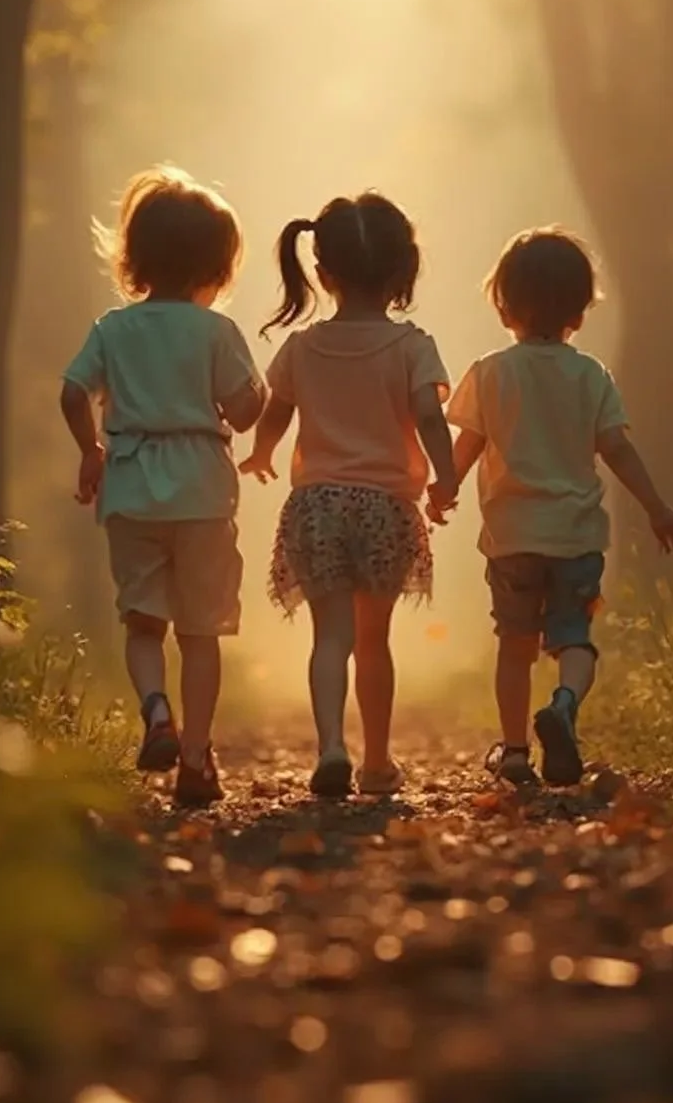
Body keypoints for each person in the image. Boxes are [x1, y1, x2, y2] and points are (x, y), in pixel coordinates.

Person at [429, 228, 673, 789]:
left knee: (515, 645)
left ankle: (517, 751)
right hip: (575, 538)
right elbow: (617, 449)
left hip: (512, 537)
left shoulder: (491, 371)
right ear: (580, 309)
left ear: (504, 305)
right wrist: (658, 507)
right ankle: (566, 702)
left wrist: (442, 490)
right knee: (575, 640)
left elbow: (467, 448)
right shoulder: (591, 375)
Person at [242, 192, 457, 800]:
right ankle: (378, 762)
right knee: (374, 641)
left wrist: (261, 453)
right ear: (401, 274)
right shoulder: (412, 346)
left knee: (329, 637)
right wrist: (446, 476)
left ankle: (332, 744)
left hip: (316, 508)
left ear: (322, 273)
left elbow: (275, 411)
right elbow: (429, 419)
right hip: (387, 507)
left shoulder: (302, 347)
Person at [60, 165, 264, 806]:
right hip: (201, 490)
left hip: (130, 488)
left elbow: (71, 392)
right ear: (218, 264)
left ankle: (155, 710)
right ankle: (197, 761)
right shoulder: (216, 332)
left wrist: (91, 449)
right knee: (200, 631)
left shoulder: (112, 329)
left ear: (135, 256)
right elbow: (245, 409)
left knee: (144, 623)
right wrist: (257, 396)